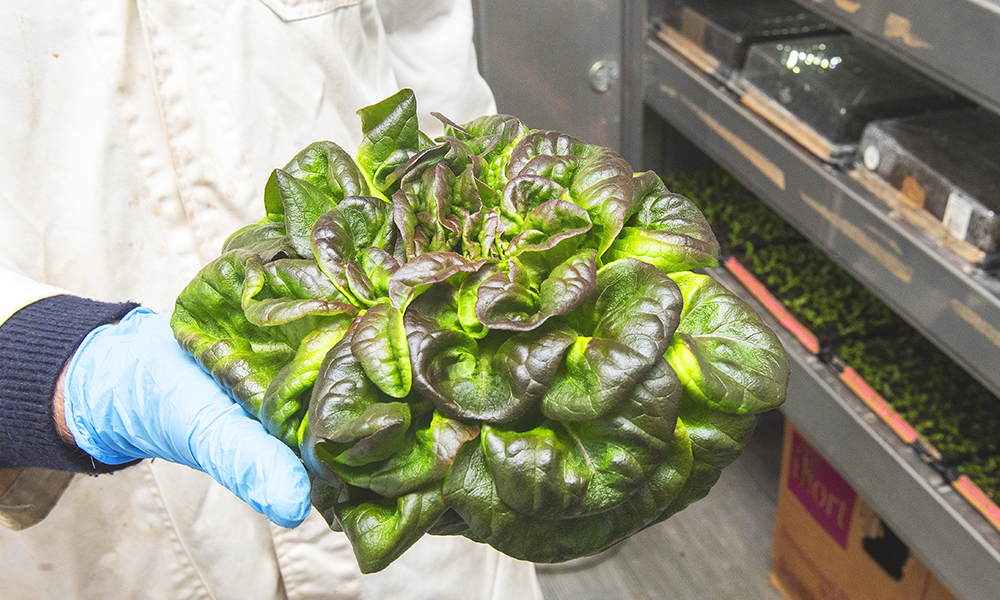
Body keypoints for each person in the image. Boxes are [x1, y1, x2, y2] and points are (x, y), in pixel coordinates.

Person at [0, 1, 544, 598]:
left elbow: (425, 29)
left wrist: (500, 217)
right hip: (110, 521)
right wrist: (37, 365)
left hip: (415, 409)